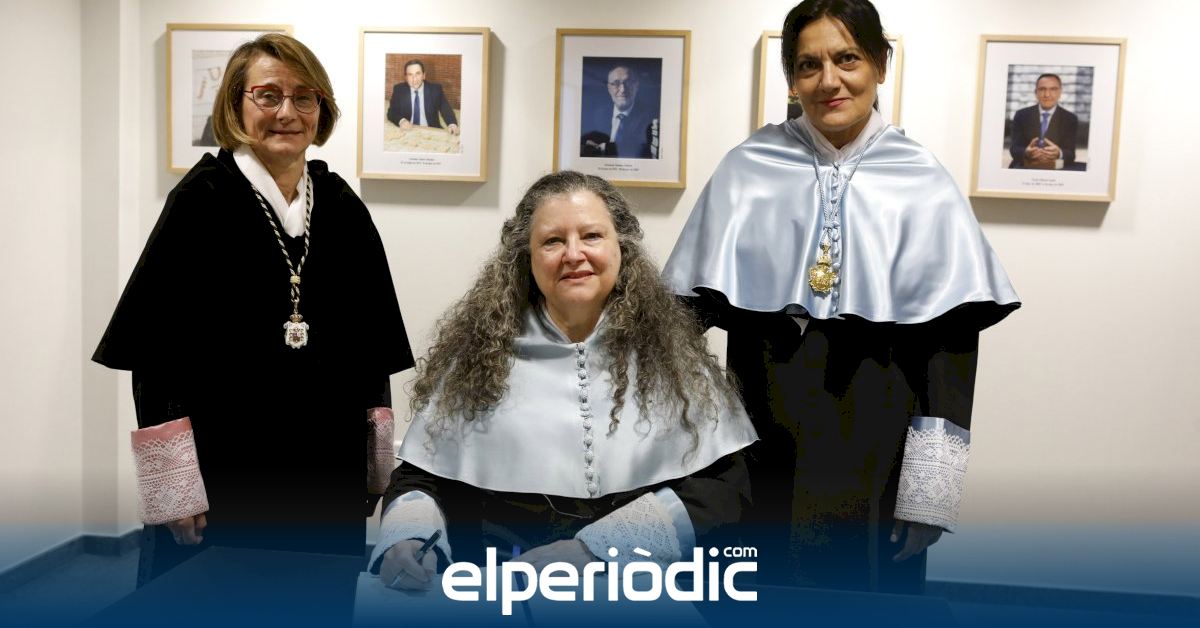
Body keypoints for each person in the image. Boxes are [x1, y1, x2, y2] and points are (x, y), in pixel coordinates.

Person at [662, 0, 1020, 594]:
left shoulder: (923, 178)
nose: (829, 80)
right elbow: (678, 321)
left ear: (880, 64)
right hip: (758, 437)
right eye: (809, 65)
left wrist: (930, 495)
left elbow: (951, 355)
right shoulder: (747, 168)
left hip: (877, 446)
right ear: (791, 78)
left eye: (847, 59)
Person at [93, 33, 415, 585]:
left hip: (326, 472)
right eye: (268, 95)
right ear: (235, 105)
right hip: (225, 472)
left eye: (304, 97)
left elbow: (371, 353)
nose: (287, 112)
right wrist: (174, 488)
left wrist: (374, 465)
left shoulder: (341, 205)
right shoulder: (200, 201)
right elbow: (153, 358)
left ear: (321, 109)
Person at [368, 171, 757, 588]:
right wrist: (407, 538)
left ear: (621, 248)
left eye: (592, 236)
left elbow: (723, 489)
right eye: (553, 241)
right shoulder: (477, 360)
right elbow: (421, 478)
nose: (574, 254)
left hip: (637, 584)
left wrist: (598, 550)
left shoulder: (673, 357)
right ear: (527, 257)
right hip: (503, 582)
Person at [580, 64, 659, 159]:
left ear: (636, 85)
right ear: (609, 88)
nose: (622, 89)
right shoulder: (599, 114)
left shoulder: (650, 116)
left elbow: (641, 149)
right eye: (616, 83)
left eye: (628, 82)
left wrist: (603, 148)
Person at [1009, 73, 1080, 170]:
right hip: (1026, 165)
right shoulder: (1021, 115)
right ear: (1036, 92)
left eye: (1053, 89)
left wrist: (1059, 152)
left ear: (1060, 92)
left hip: (1054, 168)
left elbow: (1071, 154)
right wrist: (1026, 152)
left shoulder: (1070, 119)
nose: (1047, 95)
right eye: (1042, 89)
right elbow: (1014, 149)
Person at [386, 59, 460, 135]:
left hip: (430, 131)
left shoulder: (435, 90)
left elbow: (446, 110)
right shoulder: (399, 89)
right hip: (408, 131)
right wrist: (401, 121)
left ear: (424, 75)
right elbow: (391, 112)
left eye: (418, 74)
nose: (414, 79)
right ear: (406, 77)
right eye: (410, 75)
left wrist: (452, 125)